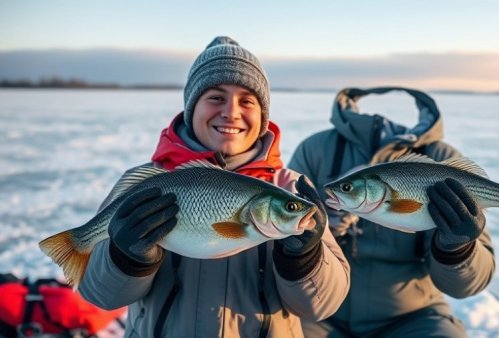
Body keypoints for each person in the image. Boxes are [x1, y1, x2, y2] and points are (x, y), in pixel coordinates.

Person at [77, 36, 350, 338]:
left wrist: (305, 259)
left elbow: (323, 305)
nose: (231, 111)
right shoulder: (147, 183)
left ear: (262, 117)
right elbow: (101, 295)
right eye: (216, 98)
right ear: (192, 108)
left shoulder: (291, 189)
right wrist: (125, 256)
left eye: (247, 101)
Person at [289, 87, 495, 337]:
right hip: (322, 312)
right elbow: (277, 241)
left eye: (346, 188)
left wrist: (458, 248)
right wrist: (317, 235)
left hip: (414, 317)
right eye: (346, 187)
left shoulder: (441, 158)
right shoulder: (317, 149)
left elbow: (469, 285)